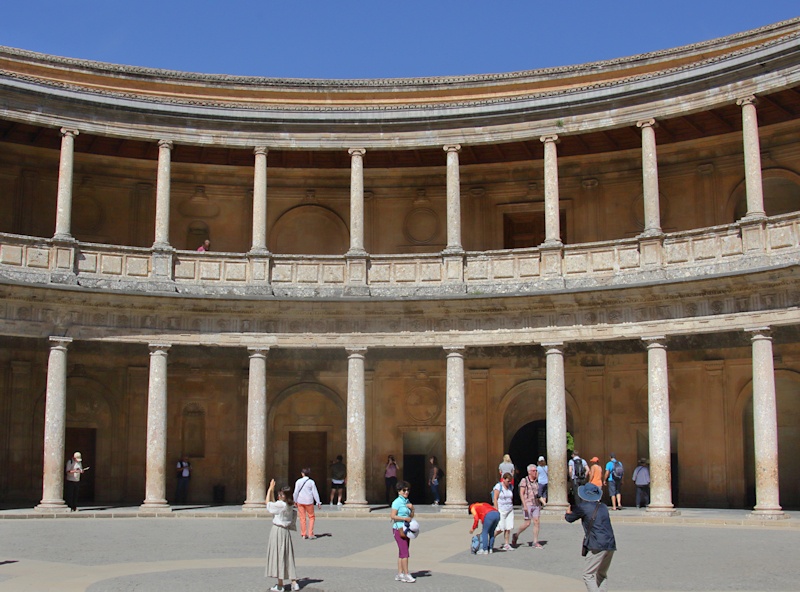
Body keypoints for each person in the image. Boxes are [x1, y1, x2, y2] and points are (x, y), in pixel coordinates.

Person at [565, 482, 617, 592]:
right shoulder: (603, 506)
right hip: (610, 543)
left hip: (597, 544)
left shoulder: (583, 507)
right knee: (602, 574)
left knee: (588, 574)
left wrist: (568, 511)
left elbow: (569, 519)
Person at [265, 478, 300, 592]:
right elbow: (274, 504)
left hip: (278, 531)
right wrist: (273, 492)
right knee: (287, 556)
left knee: (278, 556)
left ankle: (280, 585)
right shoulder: (289, 504)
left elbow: (268, 504)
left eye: (281, 494)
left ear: (285, 496)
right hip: (285, 532)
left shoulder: (281, 505)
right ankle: (294, 582)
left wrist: (270, 489)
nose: (279, 496)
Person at [390, 480, 416, 583]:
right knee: (405, 553)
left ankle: (400, 574)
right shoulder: (397, 502)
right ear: (399, 491)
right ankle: (406, 574)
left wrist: (412, 509)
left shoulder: (407, 501)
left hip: (406, 528)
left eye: (407, 490)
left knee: (402, 552)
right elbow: (392, 516)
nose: (406, 492)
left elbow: (411, 516)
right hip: (399, 528)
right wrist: (404, 518)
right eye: (404, 490)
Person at [512, 464, 543, 548]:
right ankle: (516, 534)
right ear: (529, 472)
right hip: (528, 503)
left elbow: (538, 494)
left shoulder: (536, 481)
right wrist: (524, 504)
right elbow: (521, 493)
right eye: (533, 471)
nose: (535, 472)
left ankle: (535, 541)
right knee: (527, 523)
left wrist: (542, 502)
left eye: (536, 470)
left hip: (536, 504)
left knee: (536, 521)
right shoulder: (524, 480)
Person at [293, 467, 322, 539]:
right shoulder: (311, 482)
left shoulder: (298, 481)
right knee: (311, 517)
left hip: (300, 500)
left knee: (302, 518)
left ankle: (303, 533)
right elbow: (315, 492)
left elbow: (296, 492)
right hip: (309, 501)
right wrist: (318, 502)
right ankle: (310, 533)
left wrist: (295, 500)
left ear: (302, 474)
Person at [492, 472, 515, 551]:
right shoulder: (499, 486)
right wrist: (496, 509)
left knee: (508, 527)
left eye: (510, 481)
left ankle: (506, 544)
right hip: (501, 509)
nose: (509, 483)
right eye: (508, 481)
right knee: (500, 528)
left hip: (509, 509)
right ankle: (490, 538)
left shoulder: (510, 487)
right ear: (504, 479)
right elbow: (495, 498)